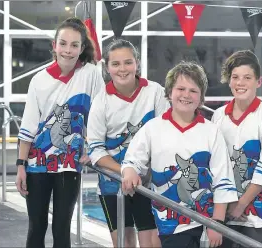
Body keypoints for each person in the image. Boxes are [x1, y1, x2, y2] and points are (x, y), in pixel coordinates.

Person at [120, 61, 238, 248]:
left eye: (193, 91)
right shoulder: (153, 128)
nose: (186, 95)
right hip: (170, 223)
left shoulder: (211, 131)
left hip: (206, 221)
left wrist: (217, 223)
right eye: (180, 88)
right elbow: (132, 160)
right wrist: (130, 171)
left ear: (201, 98)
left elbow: (223, 178)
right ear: (169, 93)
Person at [15, 17, 105, 248]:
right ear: (54, 45)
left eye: (74, 45)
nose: (68, 50)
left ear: (82, 48)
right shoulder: (39, 80)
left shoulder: (91, 74)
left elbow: (100, 116)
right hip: (37, 163)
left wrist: (93, 149)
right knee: (37, 226)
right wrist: (20, 166)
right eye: (63, 43)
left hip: (68, 163)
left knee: (62, 227)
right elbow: (29, 126)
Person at [86, 38, 168, 248]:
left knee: (151, 242)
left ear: (137, 63)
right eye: (116, 64)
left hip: (150, 182)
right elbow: (95, 150)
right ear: (107, 67)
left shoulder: (155, 92)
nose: (122, 69)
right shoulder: (101, 101)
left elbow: (166, 134)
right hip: (112, 182)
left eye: (128, 62)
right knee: (124, 243)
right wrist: (126, 170)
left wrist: (144, 171)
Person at [211, 50, 262, 248]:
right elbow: (215, 164)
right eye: (235, 77)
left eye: (247, 77)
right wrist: (228, 203)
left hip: (257, 213)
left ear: (258, 82)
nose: (240, 83)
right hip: (224, 208)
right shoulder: (218, 116)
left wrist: (240, 204)